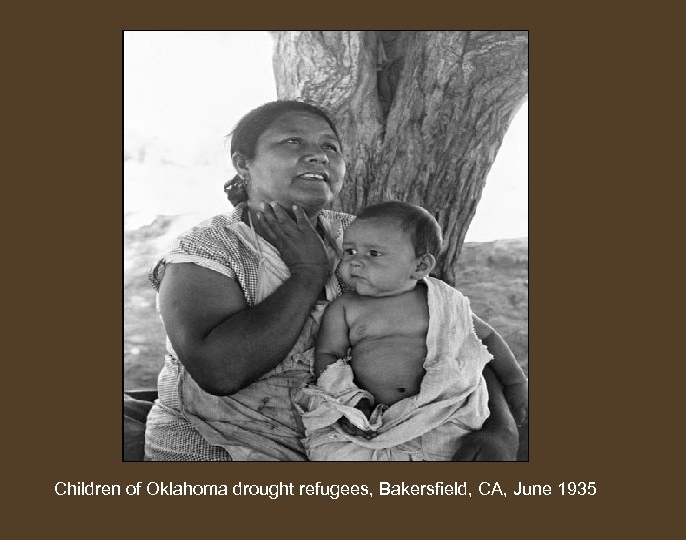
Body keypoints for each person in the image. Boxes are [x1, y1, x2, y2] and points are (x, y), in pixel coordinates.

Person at [143, 100, 520, 461]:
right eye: (292, 141)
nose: (318, 154)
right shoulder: (209, 249)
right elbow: (221, 372)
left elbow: (453, 334)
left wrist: (502, 429)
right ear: (243, 163)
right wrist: (308, 273)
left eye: (330, 146)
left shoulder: (357, 237)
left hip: (366, 442)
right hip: (223, 447)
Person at [297, 202, 528, 460]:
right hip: (373, 418)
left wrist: (515, 381)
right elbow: (328, 356)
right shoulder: (345, 308)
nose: (355, 263)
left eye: (373, 254)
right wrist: (350, 401)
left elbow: (486, 339)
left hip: (443, 412)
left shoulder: (443, 301)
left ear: (419, 266)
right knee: (337, 451)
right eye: (349, 252)